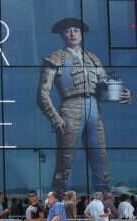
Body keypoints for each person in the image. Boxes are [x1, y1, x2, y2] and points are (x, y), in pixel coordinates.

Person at [37, 18, 132, 194]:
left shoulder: (93, 59)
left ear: (81, 34)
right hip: (70, 107)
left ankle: (105, 196)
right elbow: (42, 94)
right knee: (66, 158)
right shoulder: (55, 58)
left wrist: (123, 94)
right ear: (62, 35)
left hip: (94, 107)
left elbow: (106, 86)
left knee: (99, 156)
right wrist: (55, 117)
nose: (72, 34)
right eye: (68, 31)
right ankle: (60, 196)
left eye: (76, 30)